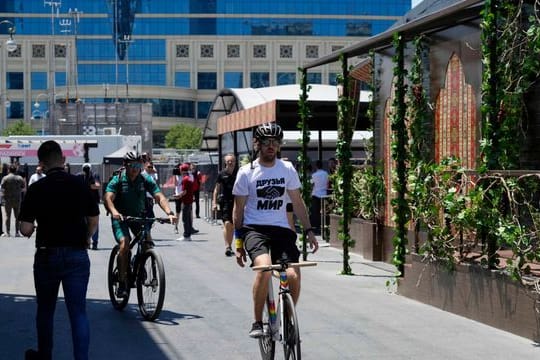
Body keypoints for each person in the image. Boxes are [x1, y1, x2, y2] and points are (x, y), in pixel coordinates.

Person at [232, 122, 318, 338]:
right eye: (266, 142)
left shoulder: (287, 169)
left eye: (275, 142)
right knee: (264, 267)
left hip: (281, 229)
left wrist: (308, 230)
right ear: (257, 144)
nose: (271, 146)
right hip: (254, 229)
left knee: (292, 275)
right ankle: (257, 322)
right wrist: (239, 242)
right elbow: (238, 209)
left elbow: (298, 203)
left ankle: (288, 318)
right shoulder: (246, 172)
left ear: (279, 145)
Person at [19, 140, 99, 360]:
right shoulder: (80, 185)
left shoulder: (36, 188)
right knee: (78, 313)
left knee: (45, 310)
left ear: (41, 165)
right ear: (63, 160)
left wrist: (31, 227)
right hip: (76, 254)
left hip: (46, 256)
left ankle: (44, 355)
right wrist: (86, 237)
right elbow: (94, 218)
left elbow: (25, 228)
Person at [103, 151, 177, 297]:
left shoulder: (144, 178)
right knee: (125, 243)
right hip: (121, 218)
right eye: (132, 165)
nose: (135, 169)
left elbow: (159, 196)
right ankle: (122, 281)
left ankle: (140, 262)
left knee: (147, 242)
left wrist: (169, 213)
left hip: (139, 216)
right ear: (125, 165)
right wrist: (114, 211)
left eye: (138, 165)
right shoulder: (118, 179)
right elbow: (108, 198)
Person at [212, 153, 237, 257]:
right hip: (225, 202)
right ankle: (228, 246)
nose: (230, 163)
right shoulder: (221, 174)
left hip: (237, 202)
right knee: (227, 224)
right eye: (228, 161)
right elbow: (216, 189)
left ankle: (234, 246)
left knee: (234, 225)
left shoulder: (239, 173)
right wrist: (214, 202)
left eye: (232, 161)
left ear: (235, 162)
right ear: (225, 162)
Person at [77, 163, 101, 250]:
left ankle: (95, 243)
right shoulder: (79, 176)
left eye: (87, 169)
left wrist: (87, 185)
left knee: (94, 223)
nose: (86, 170)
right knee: (83, 223)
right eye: (85, 169)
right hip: (82, 202)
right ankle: (85, 241)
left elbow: (97, 186)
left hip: (93, 202)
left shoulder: (94, 175)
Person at [1, 164, 25, 237]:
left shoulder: (5, 178)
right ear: (16, 170)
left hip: (7, 200)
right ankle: (17, 232)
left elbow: (2, 188)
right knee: (17, 217)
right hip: (17, 200)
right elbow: (23, 187)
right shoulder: (19, 178)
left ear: (9, 170)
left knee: (8, 216)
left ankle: (8, 232)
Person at [175, 163, 194, 241]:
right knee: (188, 218)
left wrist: (178, 196)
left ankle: (186, 235)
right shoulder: (189, 178)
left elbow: (184, 191)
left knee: (185, 219)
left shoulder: (185, 179)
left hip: (186, 201)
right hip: (189, 200)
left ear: (182, 170)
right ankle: (188, 234)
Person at [310, 160, 329, 234]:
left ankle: (317, 226)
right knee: (324, 211)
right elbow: (327, 183)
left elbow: (312, 184)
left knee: (316, 211)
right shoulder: (326, 173)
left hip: (315, 194)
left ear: (316, 166)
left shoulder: (314, 175)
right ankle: (324, 225)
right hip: (324, 194)